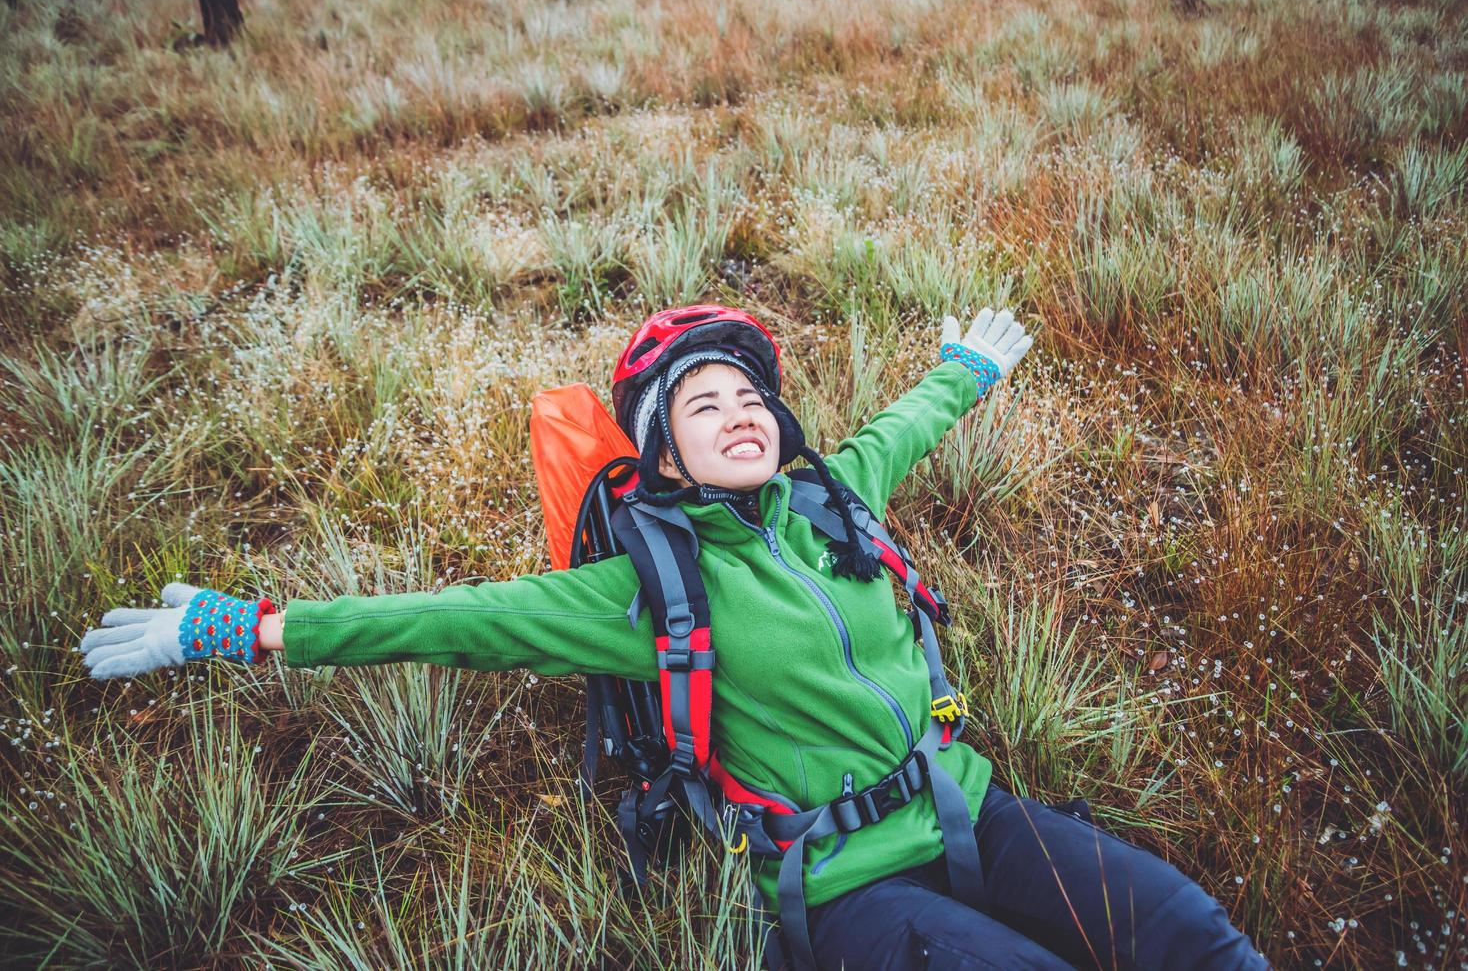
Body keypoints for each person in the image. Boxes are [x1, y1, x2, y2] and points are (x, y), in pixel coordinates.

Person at [78, 305, 1269, 970]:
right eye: (705, 404)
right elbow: (448, 620)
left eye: (752, 397)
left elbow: (903, 427)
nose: (740, 412)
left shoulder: (834, 495)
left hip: (974, 808)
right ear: (663, 452)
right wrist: (243, 626)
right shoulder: (643, 585)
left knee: (1195, 938)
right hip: (843, 884)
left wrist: (962, 371)